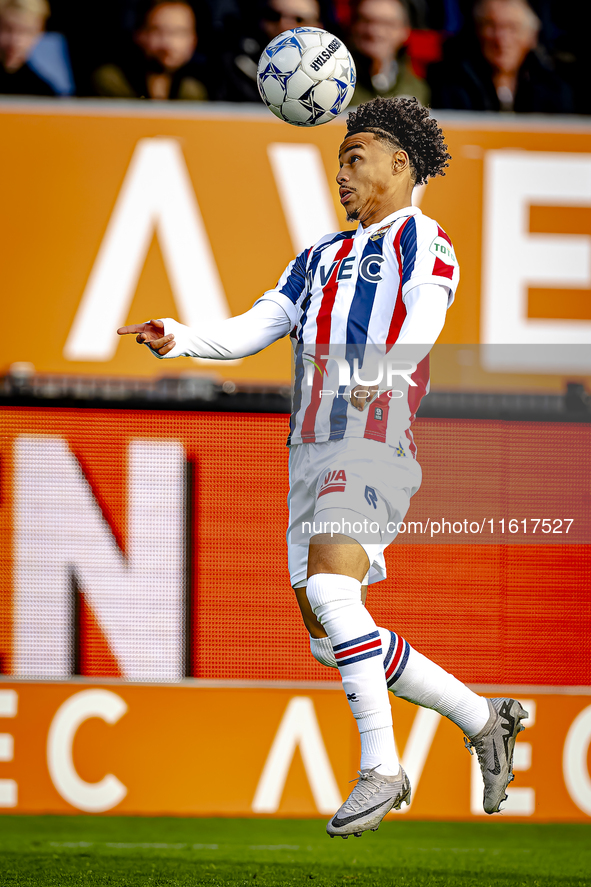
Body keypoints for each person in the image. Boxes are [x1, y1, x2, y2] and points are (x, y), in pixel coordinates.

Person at [118, 97, 528, 838]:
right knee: (328, 631)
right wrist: (177, 333)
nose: (340, 172)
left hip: (373, 436)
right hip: (307, 451)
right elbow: (251, 330)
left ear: (400, 163)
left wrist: (390, 365)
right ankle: (483, 716)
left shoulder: (421, 240)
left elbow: (426, 316)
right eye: (340, 158)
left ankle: (382, 767)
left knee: (336, 593)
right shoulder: (317, 258)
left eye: (355, 156)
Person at [429, 0, 574, 113]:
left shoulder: (554, 89)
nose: (501, 39)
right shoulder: (451, 85)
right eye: (491, 27)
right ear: (477, 32)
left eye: (512, 28)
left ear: (532, 37)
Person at [91, 0, 209, 100]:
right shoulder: (111, 81)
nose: (167, 44)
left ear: (193, 41)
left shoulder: (192, 92)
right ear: (139, 35)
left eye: (179, 33)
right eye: (157, 31)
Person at [218, 0, 323, 103]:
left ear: (318, 28)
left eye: (298, 19)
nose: (284, 25)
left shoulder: (334, 70)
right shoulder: (236, 63)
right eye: (274, 16)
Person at [348, 0, 430, 106]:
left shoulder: (417, 87)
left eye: (387, 24)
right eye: (366, 21)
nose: (375, 32)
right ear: (352, 26)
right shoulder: (332, 81)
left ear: (405, 31)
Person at [0, 0, 56, 95]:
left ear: (39, 33)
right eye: (7, 29)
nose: (15, 42)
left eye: (26, 32)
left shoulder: (43, 92)